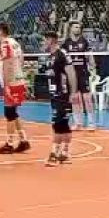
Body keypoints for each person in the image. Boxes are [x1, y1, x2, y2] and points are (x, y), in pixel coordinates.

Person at [0, 22, 31, 155]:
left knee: (9, 113)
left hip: (12, 83)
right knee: (13, 113)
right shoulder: (15, 42)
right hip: (18, 80)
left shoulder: (5, 44)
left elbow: (8, 64)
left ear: (0, 31)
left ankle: (9, 144)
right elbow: (21, 59)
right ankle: (24, 140)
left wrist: (8, 84)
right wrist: (21, 76)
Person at [44, 31, 77, 166]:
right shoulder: (50, 56)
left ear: (51, 40)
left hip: (62, 94)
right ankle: (65, 153)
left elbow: (71, 73)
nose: (43, 42)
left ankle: (54, 154)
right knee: (63, 124)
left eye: (45, 39)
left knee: (57, 124)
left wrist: (73, 93)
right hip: (54, 94)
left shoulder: (62, 54)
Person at [63, 22, 96, 130]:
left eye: (79, 27)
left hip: (83, 73)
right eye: (75, 27)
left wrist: (93, 67)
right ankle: (78, 123)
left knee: (87, 98)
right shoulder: (66, 43)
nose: (78, 29)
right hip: (72, 75)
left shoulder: (84, 42)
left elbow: (90, 56)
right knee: (75, 98)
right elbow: (63, 59)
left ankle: (91, 123)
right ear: (71, 29)